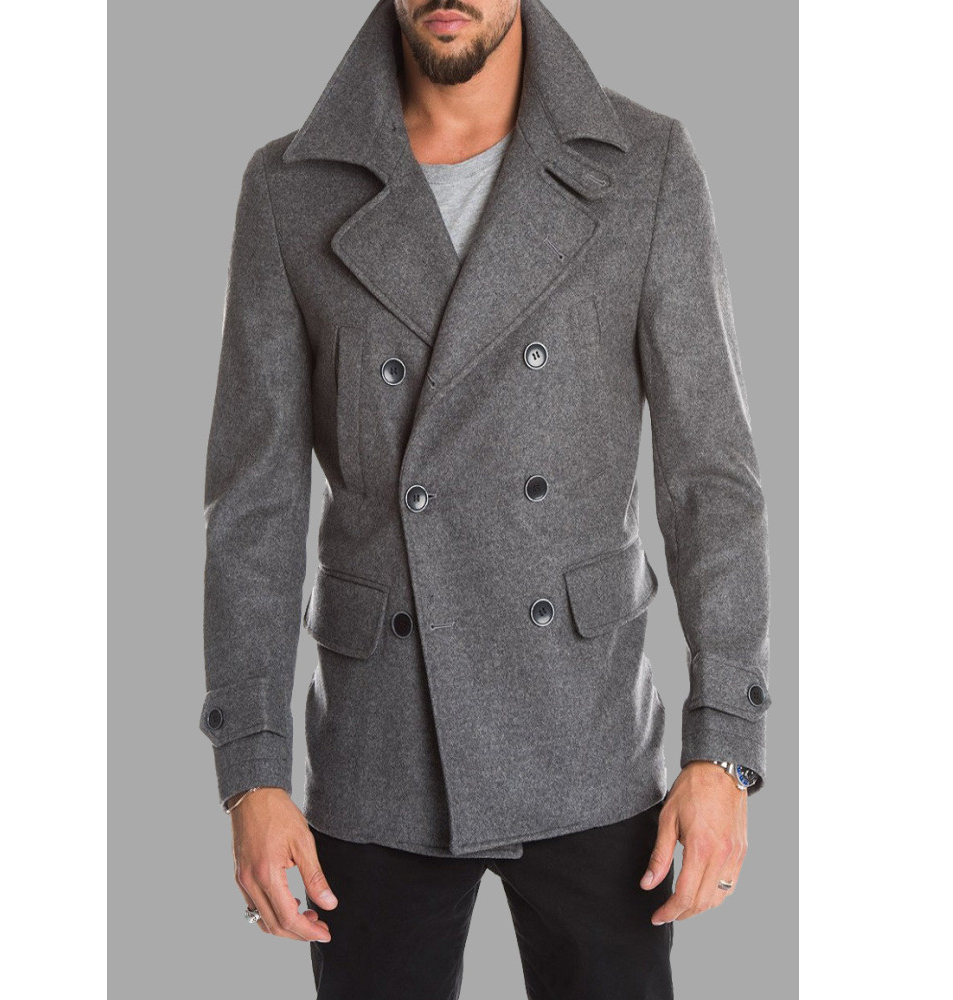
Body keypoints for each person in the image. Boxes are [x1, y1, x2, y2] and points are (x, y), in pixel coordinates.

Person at [199, 1, 772, 997]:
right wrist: (251, 771)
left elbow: (710, 480)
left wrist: (724, 748)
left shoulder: (644, 167)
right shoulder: (290, 189)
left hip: (590, 736)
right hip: (379, 747)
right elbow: (254, 506)